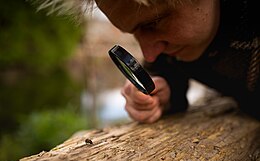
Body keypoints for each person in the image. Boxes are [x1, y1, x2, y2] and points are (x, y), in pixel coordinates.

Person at [41, 0, 259, 123]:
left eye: (155, 22)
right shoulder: (170, 50)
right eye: (134, 32)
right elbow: (164, 76)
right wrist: (162, 97)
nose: (149, 53)